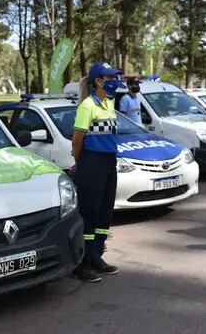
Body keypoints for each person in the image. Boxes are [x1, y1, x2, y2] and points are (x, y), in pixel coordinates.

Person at [71, 62, 121, 283]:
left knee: (105, 213)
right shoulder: (87, 106)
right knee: (89, 214)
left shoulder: (109, 104)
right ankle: (83, 263)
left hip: (109, 163)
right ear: (98, 81)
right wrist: (80, 162)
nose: (115, 82)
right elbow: (77, 141)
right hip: (91, 163)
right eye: (111, 78)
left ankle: (97, 257)